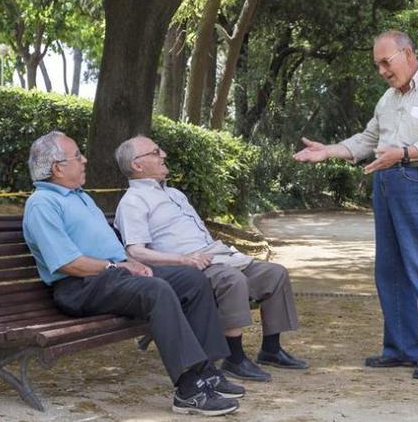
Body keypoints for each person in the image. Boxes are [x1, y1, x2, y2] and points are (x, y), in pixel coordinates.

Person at [22, 131, 243, 416]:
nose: (85, 159)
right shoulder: (42, 204)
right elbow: (67, 263)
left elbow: (108, 246)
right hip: (79, 286)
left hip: (111, 278)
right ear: (57, 167)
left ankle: (208, 372)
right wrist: (118, 266)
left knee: (191, 280)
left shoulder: (80, 197)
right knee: (157, 291)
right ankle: (189, 389)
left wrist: (131, 262)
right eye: (77, 155)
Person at [293, 30, 418, 380]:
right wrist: (328, 151)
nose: (382, 70)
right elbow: (368, 141)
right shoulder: (387, 100)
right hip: (386, 183)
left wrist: (402, 153)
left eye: (387, 62)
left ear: (409, 54)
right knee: (390, 272)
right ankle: (400, 350)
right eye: (378, 64)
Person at [114, 135, 307, 383]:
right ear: (137, 165)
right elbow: (135, 252)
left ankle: (271, 349)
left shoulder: (174, 193)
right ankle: (234, 358)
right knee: (232, 280)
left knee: (275, 273)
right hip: (185, 268)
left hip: (215, 255)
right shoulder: (133, 202)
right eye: (155, 152)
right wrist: (183, 260)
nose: (163, 155)